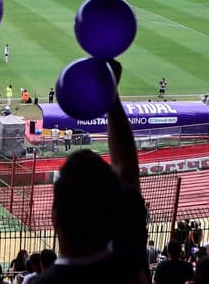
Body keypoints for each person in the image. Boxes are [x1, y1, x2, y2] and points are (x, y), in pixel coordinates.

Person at [33, 60, 148, 284]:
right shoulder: (129, 267)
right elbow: (127, 172)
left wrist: (110, 92)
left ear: (54, 218)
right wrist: (111, 95)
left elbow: (126, 174)